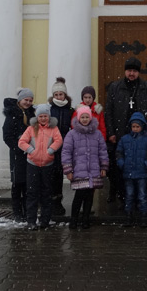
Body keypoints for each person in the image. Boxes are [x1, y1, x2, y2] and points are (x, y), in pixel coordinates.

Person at [106, 57, 147, 204]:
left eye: (134, 71)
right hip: (120, 133)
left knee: (138, 165)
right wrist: (111, 132)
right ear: (125, 71)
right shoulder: (115, 87)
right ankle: (119, 194)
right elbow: (109, 111)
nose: (131, 74)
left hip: (140, 134)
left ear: (138, 72)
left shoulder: (146, 88)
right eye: (129, 71)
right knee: (118, 166)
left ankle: (138, 197)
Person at [62, 105, 109, 230]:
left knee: (89, 197)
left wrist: (103, 167)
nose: (84, 119)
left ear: (90, 117)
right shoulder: (72, 134)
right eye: (82, 117)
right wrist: (68, 170)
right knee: (79, 196)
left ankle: (86, 219)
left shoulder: (97, 134)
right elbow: (66, 152)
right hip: (79, 170)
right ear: (78, 118)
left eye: (86, 117)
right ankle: (74, 219)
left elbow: (102, 151)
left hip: (93, 170)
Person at [18, 104, 63, 230]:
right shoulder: (31, 129)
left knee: (46, 193)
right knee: (32, 193)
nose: (43, 118)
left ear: (49, 117)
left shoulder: (53, 129)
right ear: (37, 117)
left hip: (47, 165)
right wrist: (31, 150)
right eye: (41, 116)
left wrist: (50, 150)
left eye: (45, 116)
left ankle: (45, 220)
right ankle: (31, 220)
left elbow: (58, 140)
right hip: (33, 164)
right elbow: (21, 142)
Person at [116, 112, 147, 227]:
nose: (135, 129)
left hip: (141, 172)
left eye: (137, 127)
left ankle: (143, 216)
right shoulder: (125, 139)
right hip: (128, 172)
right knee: (129, 195)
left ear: (142, 127)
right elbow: (119, 153)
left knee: (142, 195)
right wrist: (122, 163)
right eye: (133, 126)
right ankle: (128, 216)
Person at [2, 87, 36, 222]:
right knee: (17, 183)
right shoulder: (12, 114)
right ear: (20, 100)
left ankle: (27, 211)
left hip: (30, 154)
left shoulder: (32, 113)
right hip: (18, 155)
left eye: (30, 100)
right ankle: (17, 212)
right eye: (25, 100)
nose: (27, 102)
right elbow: (7, 135)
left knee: (28, 185)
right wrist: (18, 148)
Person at [48, 77, 72, 216]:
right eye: (56, 94)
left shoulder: (70, 109)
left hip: (65, 145)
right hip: (52, 146)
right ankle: (52, 203)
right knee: (52, 175)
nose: (58, 96)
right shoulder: (50, 109)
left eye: (60, 94)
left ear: (65, 95)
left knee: (60, 175)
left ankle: (58, 201)